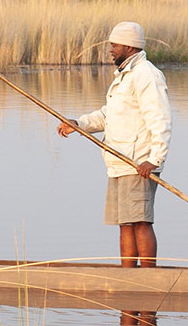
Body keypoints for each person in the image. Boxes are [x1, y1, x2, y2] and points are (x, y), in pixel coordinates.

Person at [58, 21, 172, 268]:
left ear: (130, 47)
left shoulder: (146, 75)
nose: (111, 49)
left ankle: (148, 278)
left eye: (115, 44)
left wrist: (154, 159)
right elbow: (108, 115)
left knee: (141, 221)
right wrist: (78, 124)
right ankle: (128, 277)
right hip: (118, 162)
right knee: (126, 222)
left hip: (138, 162)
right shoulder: (124, 76)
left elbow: (160, 118)